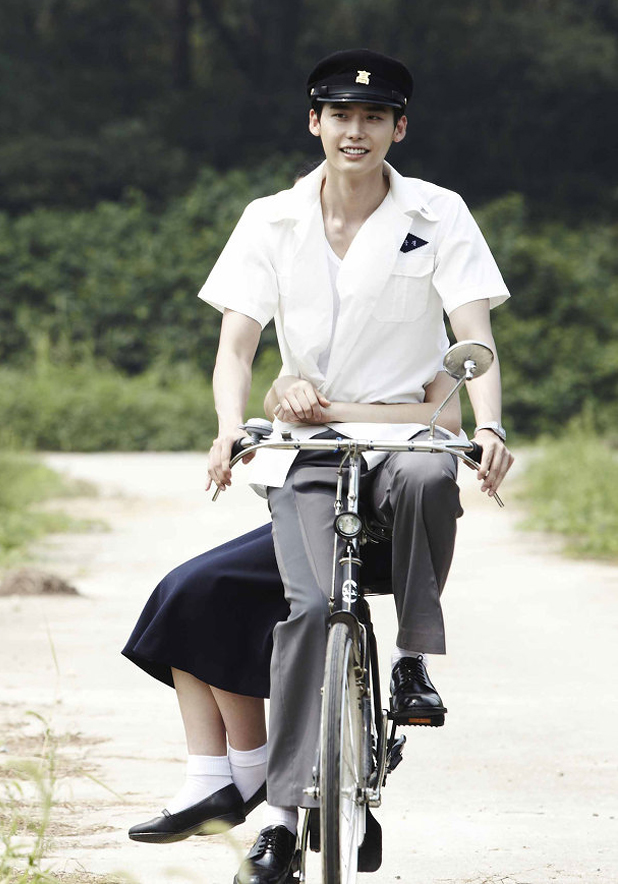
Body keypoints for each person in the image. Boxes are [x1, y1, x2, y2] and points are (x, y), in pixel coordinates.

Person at [198, 48, 514, 884]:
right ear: (315, 121)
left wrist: (489, 427)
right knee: (307, 612)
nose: (356, 130)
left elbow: (474, 338)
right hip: (307, 444)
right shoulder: (270, 219)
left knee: (427, 478)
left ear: (399, 129)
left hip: (407, 436)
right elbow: (237, 347)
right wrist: (229, 428)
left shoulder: (439, 213)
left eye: (375, 117)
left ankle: (410, 659)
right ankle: (281, 818)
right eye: (340, 114)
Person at [124, 366, 462, 845]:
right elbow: (273, 393)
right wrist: (271, 405)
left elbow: (448, 415)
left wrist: (335, 413)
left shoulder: (421, 343)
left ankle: (260, 778)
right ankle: (217, 773)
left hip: (386, 518)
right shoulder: (315, 334)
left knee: (270, 599)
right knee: (190, 590)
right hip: (316, 501)